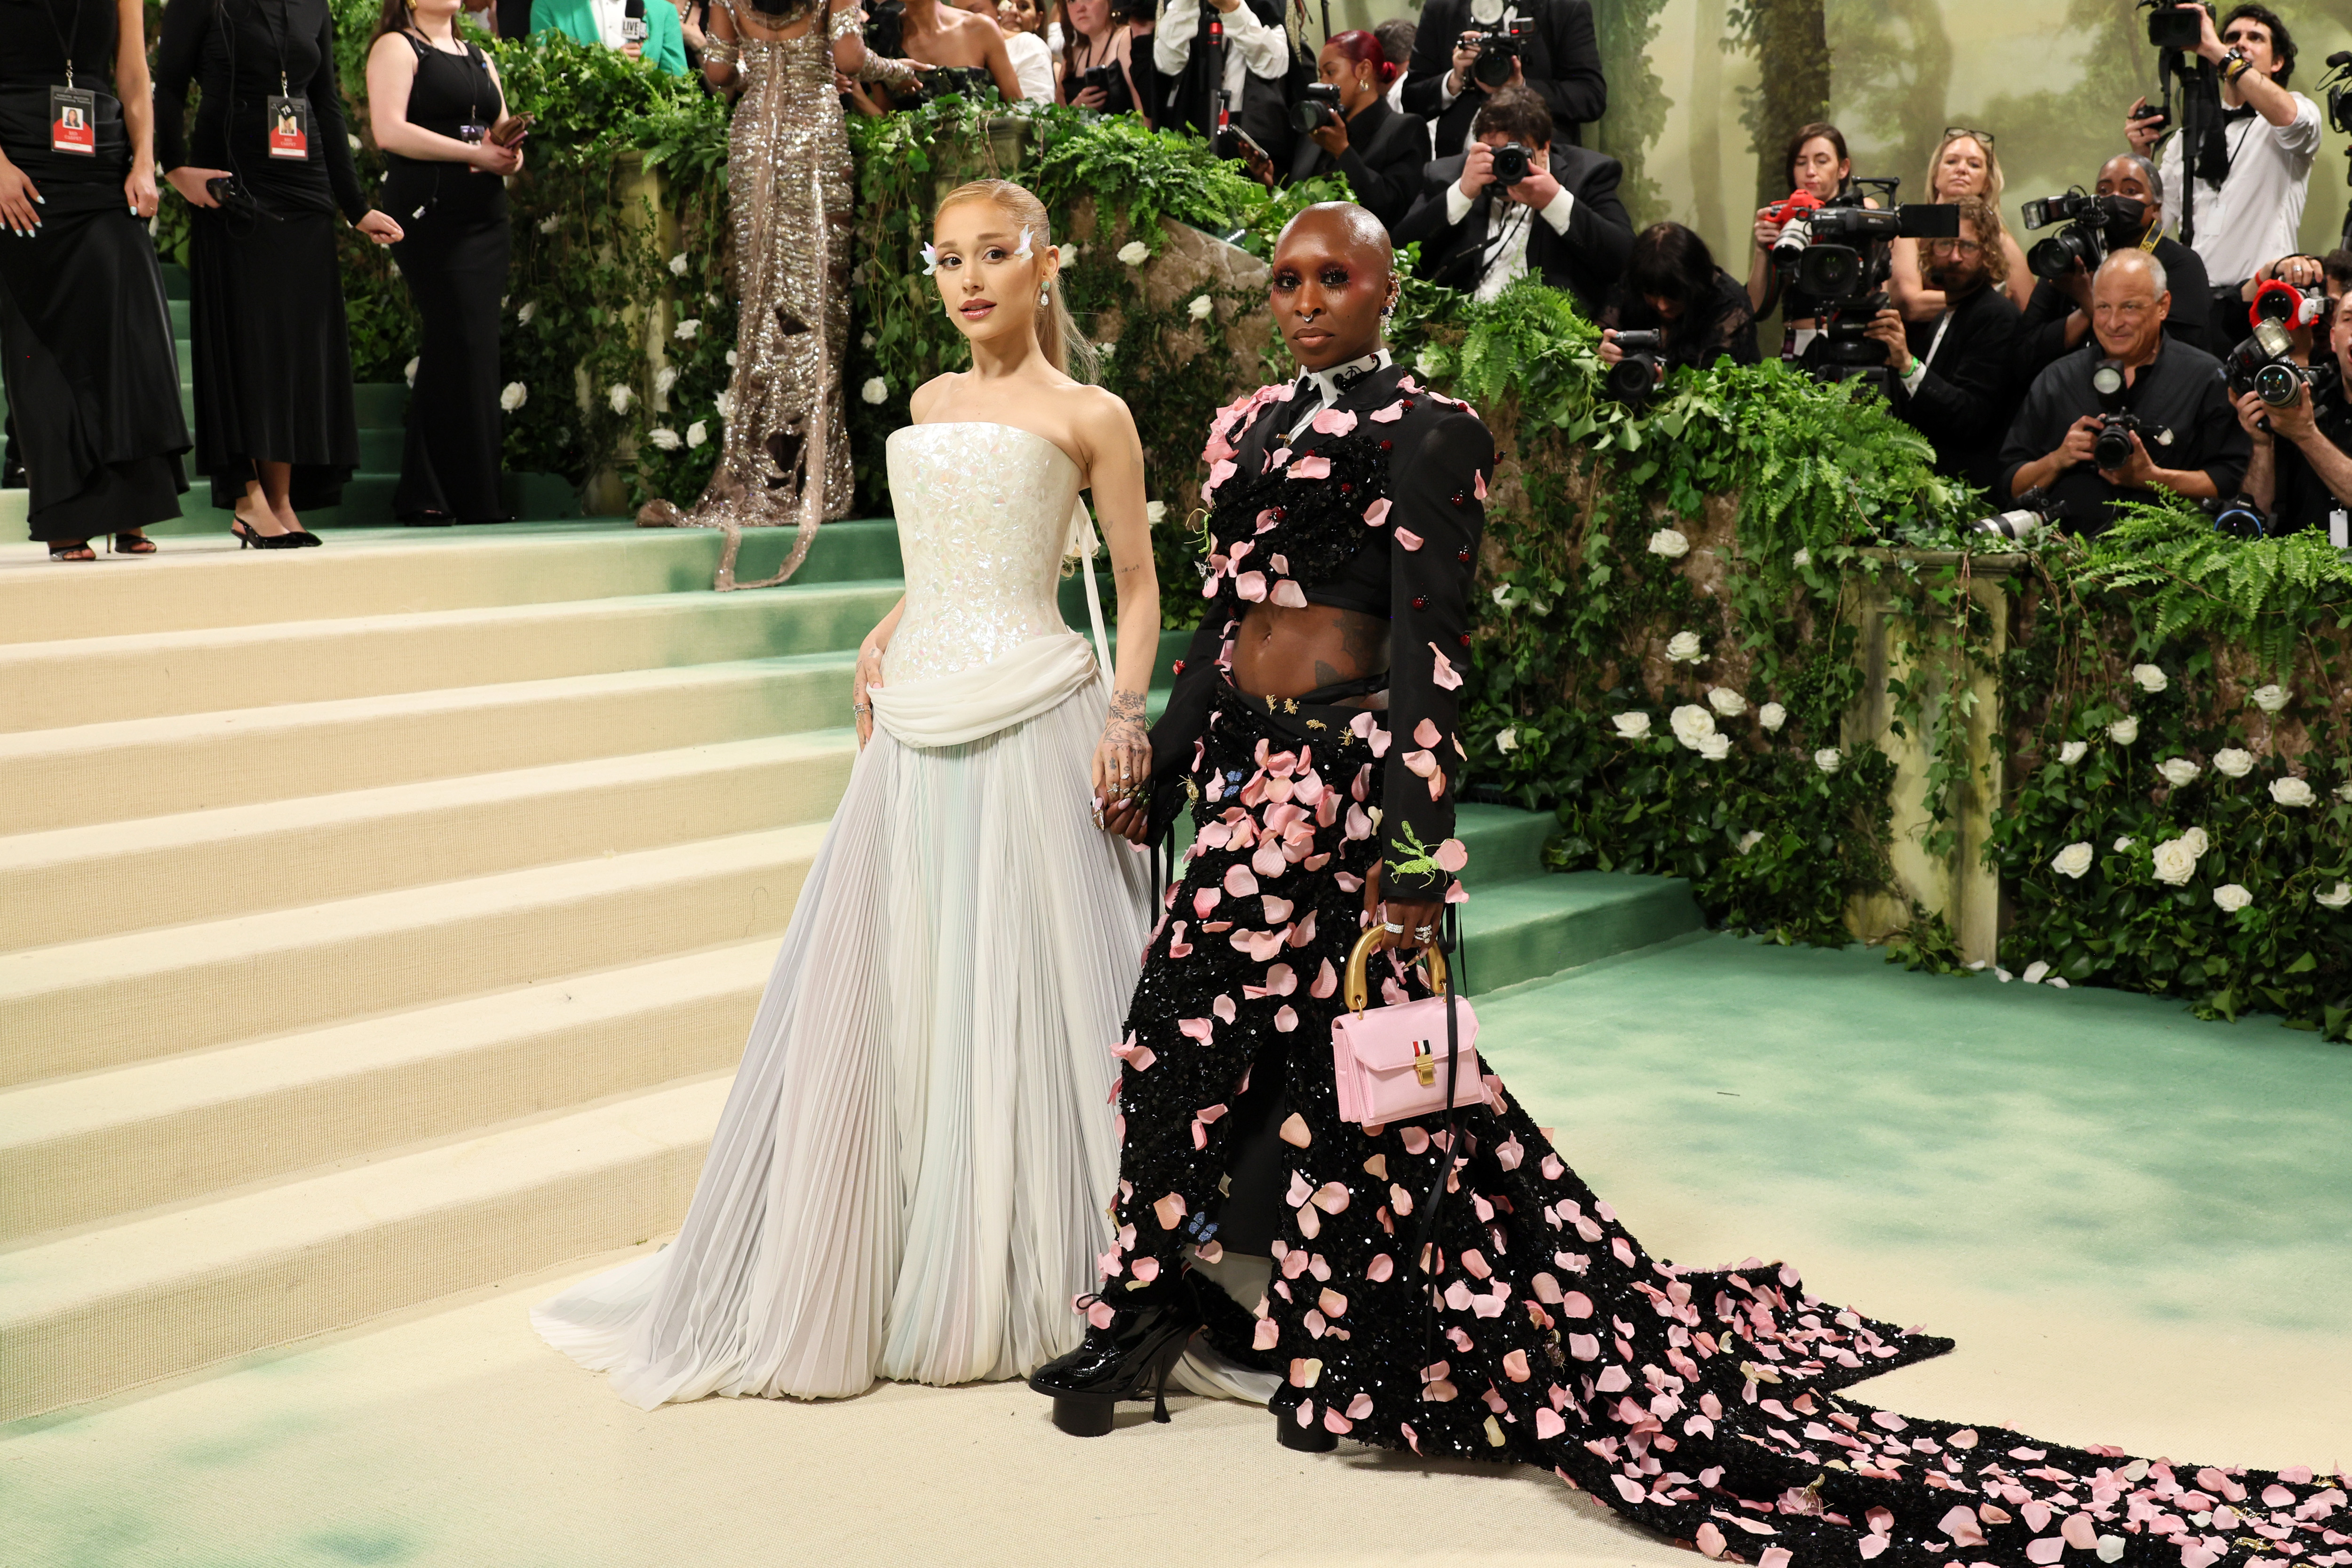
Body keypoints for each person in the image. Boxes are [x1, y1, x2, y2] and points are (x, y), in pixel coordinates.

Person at [1024, 204, 2338, 1568]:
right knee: (1202, 1043)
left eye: (1333, 276)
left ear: (1386, 288)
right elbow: (1221, 622)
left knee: (1342, 1072)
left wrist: (1415, 859)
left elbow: (1430, 653)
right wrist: (1168, 767)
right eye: (1288, 277)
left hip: (1350, 789)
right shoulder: (1242, 424)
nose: (1304, 298)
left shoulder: (1434, 427)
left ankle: (1342, 1343)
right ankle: (1154, 1304)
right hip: (1243, 775)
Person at [535, 178, 1161, 1403]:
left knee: (1028, 989)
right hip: (917, 714)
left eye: (994, 253)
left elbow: (1135, 583)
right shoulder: (930, 402)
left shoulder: (1095, 414)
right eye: (946, 259)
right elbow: (945, 564)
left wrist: (1129, 714)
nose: (969, 279)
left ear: (1045, 264)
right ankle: (884, 1247)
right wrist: (885, 629)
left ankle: (1043, 1264)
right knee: (899, 985)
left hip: (1038, 710)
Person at [636, 0, 917, 533]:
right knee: (818, 305)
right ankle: (811, 477)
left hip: (753, 145)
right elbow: (850, 59)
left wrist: (751, 67)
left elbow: (717, 72)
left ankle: (767, 472)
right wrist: (895, 71)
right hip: (814, 139)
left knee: (765, 307)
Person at [155, 0, 404, 549]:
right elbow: (167, 87)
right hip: (232, 181)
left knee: (292, 353)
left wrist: (354, 205)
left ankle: (282, 500)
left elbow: (327, 101)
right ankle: (248, 499)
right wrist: (174, 170)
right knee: (248, 345)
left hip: (305, 184)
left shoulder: (313, 4)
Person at [0, 0, 189, 562]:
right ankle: (66, 515)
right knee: (42, 337)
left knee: (129, 330)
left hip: (102, 154)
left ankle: (130, 506)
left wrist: (142, 159)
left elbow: (132, 74)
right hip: (21, 158)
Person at [367, 0, 524, 525]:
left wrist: (508, 152)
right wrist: (474, 155)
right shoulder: (398, 46)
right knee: (451, 333)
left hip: (485, 217)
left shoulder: (478, 54)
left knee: (476, 346)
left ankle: (475, 494)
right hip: (431, 213)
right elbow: (388, 132)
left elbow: (498, 124)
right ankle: (424, 491)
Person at [2000, 249, 2248, 534]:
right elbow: (2012, 485)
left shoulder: (2205, 379)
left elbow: (2230, 481)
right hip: (2063, 559)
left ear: (2163, 306)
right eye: (2103, 307)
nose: (2114, 322)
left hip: (2169, 563)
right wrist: (2058, 459)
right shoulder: (2057, 379)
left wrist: (2152, 478)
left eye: (2130, 307)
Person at [2128, 2, 2319, 329]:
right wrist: (2141, 159)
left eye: (2255, 38)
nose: (2241, 43)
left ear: (2277, 62)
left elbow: (2289, 119)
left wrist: (2219, 51)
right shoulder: (2185, 139)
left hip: (2262, 299)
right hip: (2196, 305)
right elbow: (2159, 225)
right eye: (2232, 37)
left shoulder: (2295, 113)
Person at [1392, 85, 1632, 314]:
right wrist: (1462, 194)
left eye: (1518, 152)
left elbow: (1624, 258)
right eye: (1494, 150)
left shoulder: (1588, 175)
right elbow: (1397, 253)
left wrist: (1555, 201)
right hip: (1457, 334)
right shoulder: (1447, 175)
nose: (1506, 162)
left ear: (1545, 148)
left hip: (1548, 337)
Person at [1866, 196, 2020, 495]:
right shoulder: (1944, 317)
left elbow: (1970, 418)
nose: (1954, 257)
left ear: (1989, 255)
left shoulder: (1997, 316)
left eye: (1968, 246)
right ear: (1929, 252)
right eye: (1945, 245)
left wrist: (1907, 365)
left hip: (1970, 495)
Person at [2013, 153, 2211, 383]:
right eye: (2105, 191)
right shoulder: (2072, 261)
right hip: (2070, 393)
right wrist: (2083, 312)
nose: (2115, 198)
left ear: (2156, 209)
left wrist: (2089, 301)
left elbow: (2178, 353)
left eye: (2130, 191)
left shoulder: (2181, 263)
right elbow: (2023, 354)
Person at [2233, 265, 2352, 537]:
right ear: (2334, 339)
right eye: (2348, 319)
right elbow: (2255, 515)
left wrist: (2306, 435)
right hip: (2294, 570)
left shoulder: (2299, 422)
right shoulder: (2300, 401)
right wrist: (2263, 445)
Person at [1399, 0, 1603, 158]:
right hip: (1460, 168)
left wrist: (1521, 87)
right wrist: (1454, 80)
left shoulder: (1564, 7)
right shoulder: (1442, 7)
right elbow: (1411, 99)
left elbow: (1591, 97)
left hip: (1543, 164)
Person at [1285, 30, 1427, 234]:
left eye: (1330, 72)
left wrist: (1343, 153)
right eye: (1320, 74)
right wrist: (1270, 180)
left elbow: (1392, 209)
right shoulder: (1319, 129)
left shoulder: (1405, 129)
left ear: (1363, 70)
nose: (1323, 83)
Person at [1888, 127, 2033, 317]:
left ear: (1987, 183)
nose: (1962, 169)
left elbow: (2028, 309)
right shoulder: (1909, 227)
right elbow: (1910, 304)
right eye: (1951, 161)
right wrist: (1991, 300)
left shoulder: (1998, 237)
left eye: (1974, 165)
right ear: (1935, 175)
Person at [1596, 222, 1759, 382]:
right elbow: (1598, 336)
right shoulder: (1636, 283)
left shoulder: (1729, 307)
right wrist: (1603, 353)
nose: (1662, 306)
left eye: (1673, 296)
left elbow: (1716, 386)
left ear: (1695, 286)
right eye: (1652, 294)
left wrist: (1666, 386)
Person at [1746, 121, 1856, 352]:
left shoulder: (1860, 213)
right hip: (1797, 344)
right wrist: (1762, 251)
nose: (1811, 172)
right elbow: (1754, 309)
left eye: (1822, 161)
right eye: (1801, 163)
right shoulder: (1787, 220)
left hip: (1850, 341)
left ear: (1843, 168)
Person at [1153, 0, 1289, 158]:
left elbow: (1275, 67)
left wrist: (1233, 9)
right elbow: (1167, 65)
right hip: (1194, 120)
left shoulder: (1267, 4)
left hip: (1251, 128)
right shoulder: (1179, 5)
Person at [529, 0, 691, 73]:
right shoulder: (548, 5)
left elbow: (677, 81)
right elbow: (544, 73)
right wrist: (607, 64)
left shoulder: (663, 11)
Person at [1059, 0, 1146, 120]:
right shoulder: (1071, 56)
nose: (1080, 8)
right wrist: (1076, 108)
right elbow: (1056, 123)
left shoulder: (1126, 39)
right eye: (1072, 1)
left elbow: (1145, 116)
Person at [993, 0, 1057, 102]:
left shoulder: (1033, 45)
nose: (1013, 11)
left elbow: (1036, 110)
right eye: (1006, 4)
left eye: (1023, 7)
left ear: (1038, 20)